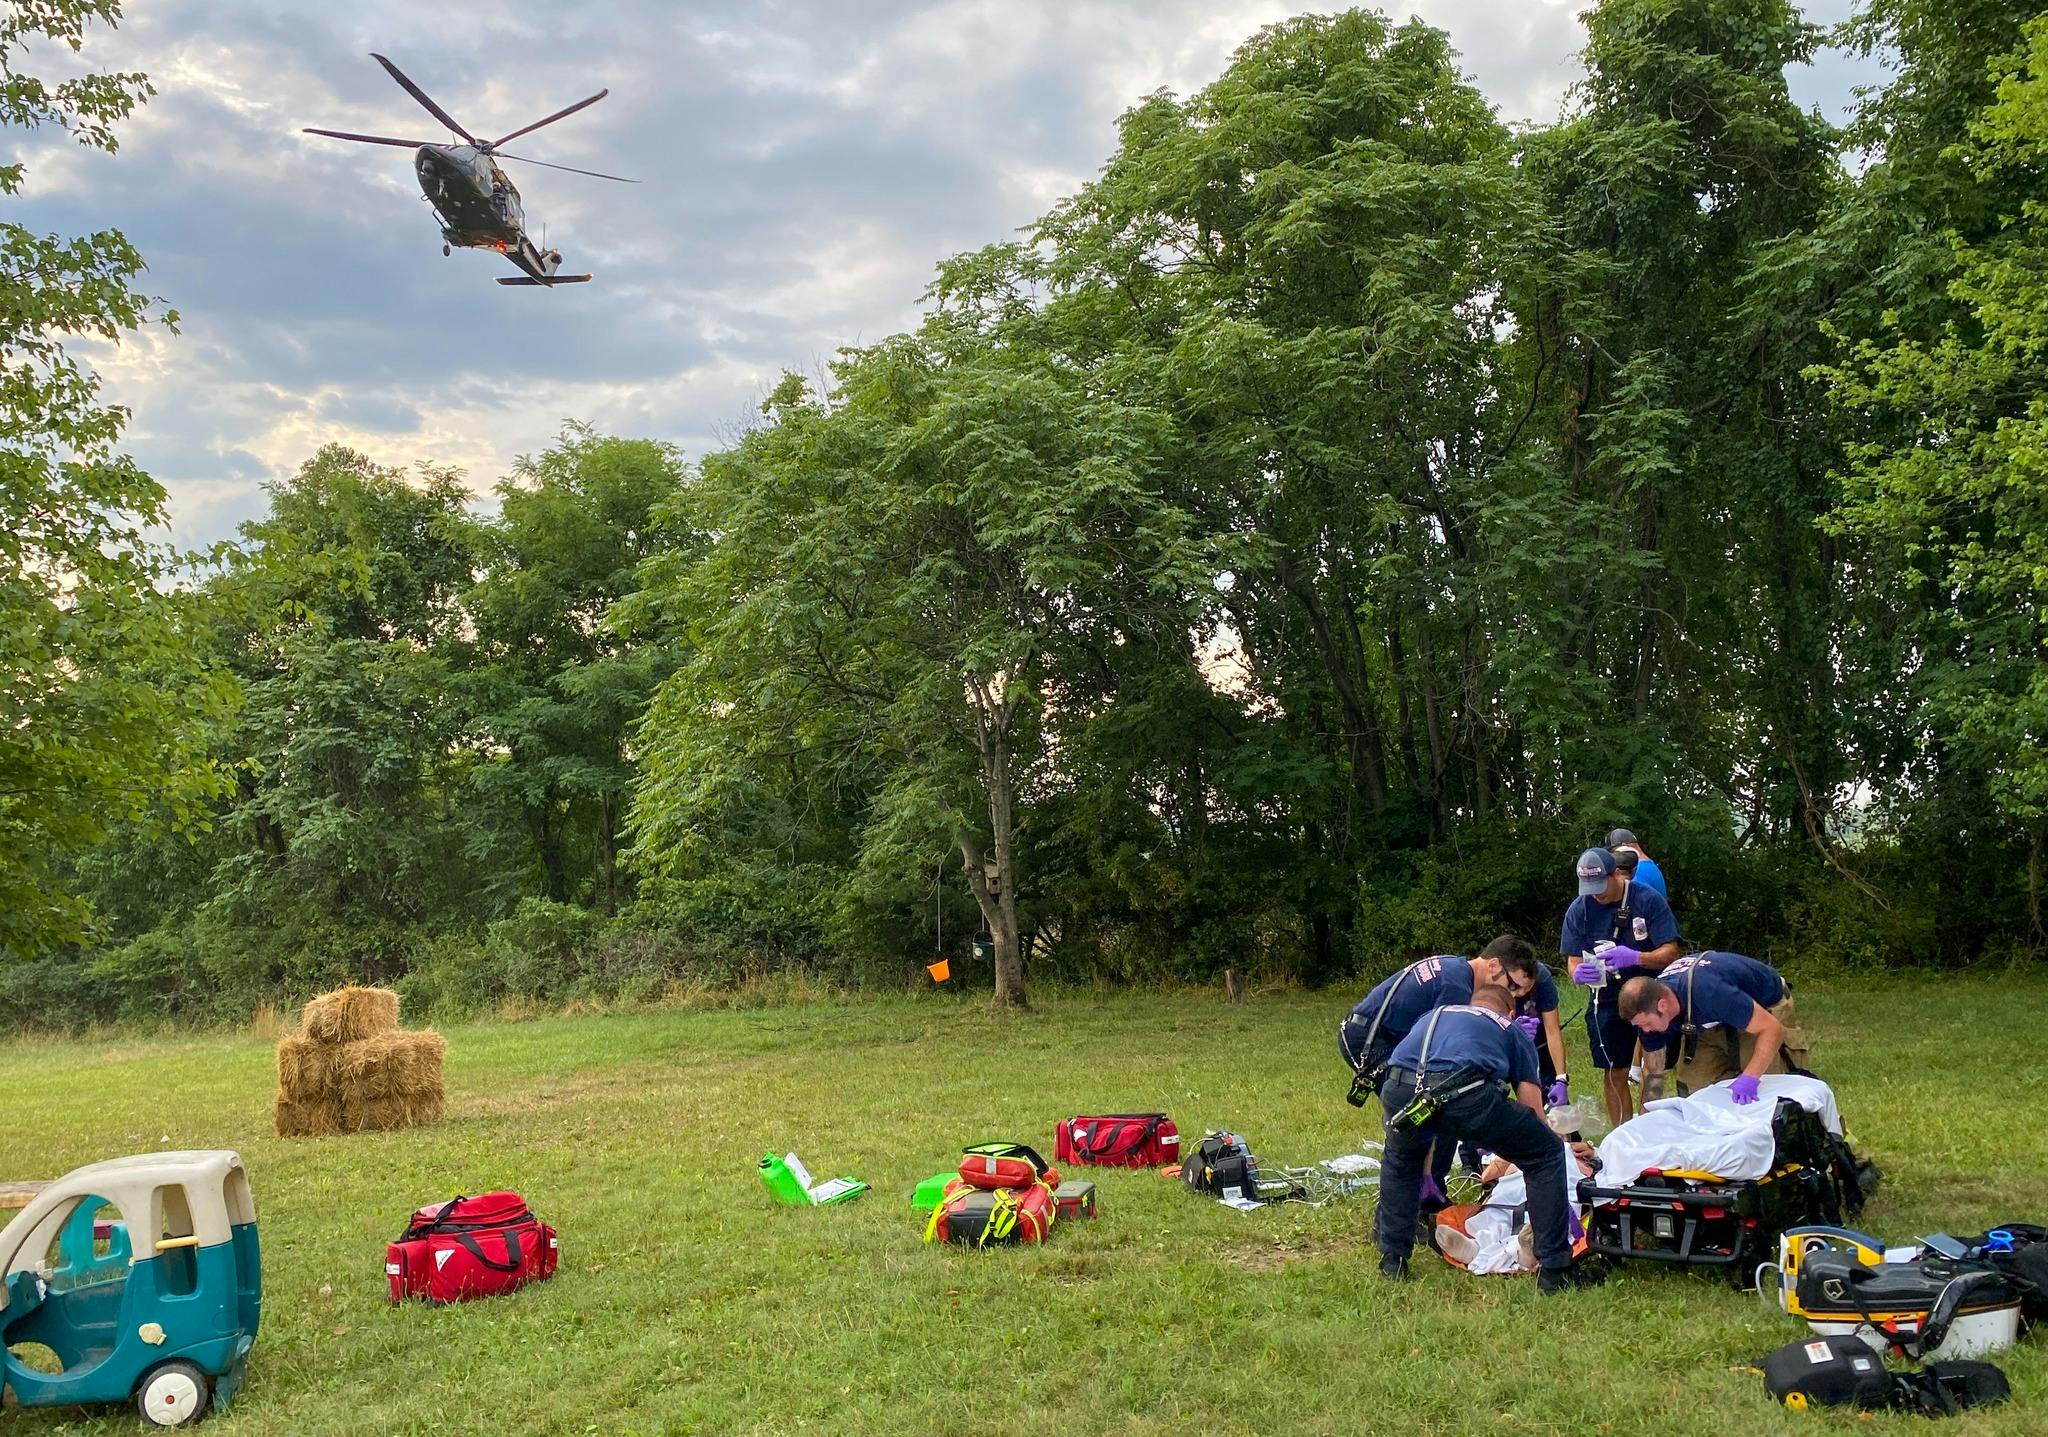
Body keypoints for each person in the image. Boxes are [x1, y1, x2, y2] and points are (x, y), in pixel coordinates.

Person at [1373, 985, 1605, 1292]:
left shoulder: (1435, 1014)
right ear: (1511, 1013)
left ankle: (1393, 1258)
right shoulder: (1509, 1028)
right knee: (1546, 1154)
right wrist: (1537, 1138)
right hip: (1465, 1094)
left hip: (1400, 1090)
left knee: (1402, 1159)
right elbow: (1532, 1106)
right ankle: (1554, 1270)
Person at [1559, 847, 1682, 1127]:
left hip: (1649, 993)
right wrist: (1579, 973)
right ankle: (1624, 1131)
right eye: (1589, 888)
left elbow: (1671, 950)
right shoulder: (1579, 910)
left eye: (1601, 885)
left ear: (1615, 874)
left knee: (1653, 1066)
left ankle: (1649, 1127)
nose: (1596, 894)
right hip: (1607, 996)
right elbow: (1573, 961)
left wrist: (1636, 957)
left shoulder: (1647, 900)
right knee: (1615, 1069)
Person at [1617, 951, 1810, 1100]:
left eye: (1646, 1024)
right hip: (1708, 1018)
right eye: (1640, 1026)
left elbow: (1772, 1029)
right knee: (1693, 1088)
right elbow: (1653, 1072)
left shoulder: (1709, 990)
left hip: (1762, 1008)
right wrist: (1648, 1120)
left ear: (1662, 1005)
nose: (1645, 1031)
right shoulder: (1647, 1011)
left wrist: (1750, 1077)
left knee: (1768, 1087)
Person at [1605, 828, 1667, 900]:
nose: (1614, 856)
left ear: (1624, 846)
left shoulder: (1636, 871)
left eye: (1613, 852)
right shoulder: (1649, 865)